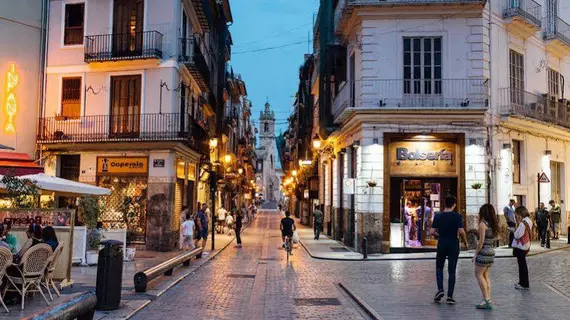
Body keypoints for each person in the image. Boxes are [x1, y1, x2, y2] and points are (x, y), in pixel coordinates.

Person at [430, 195, 468, 304]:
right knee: (452, 270)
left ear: (444, 204)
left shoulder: (438, 215)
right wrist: (465, 242)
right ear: (454, 205)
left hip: (442, 244)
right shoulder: (457, 216)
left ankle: (440, 289)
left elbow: (432, 232)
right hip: (453, 244)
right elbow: (461, 231)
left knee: (439, 268)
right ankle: (450, 296)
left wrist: (439, 236)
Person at [473, 204, 499, 310]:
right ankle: (488, 298)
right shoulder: (492, 224)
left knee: (478, 275)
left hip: (483, 252)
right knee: (486, 276)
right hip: (491, 252)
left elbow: (481, 242)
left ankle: (485, 300)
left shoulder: (483, 224)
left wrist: (475, 254)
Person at [513, 206, 532, 290]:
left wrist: (514, 231)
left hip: (521, 246)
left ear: (520, 213)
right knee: (523, 265)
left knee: (522, 266)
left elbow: (518, 235)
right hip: (526, 244)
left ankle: (524, 284)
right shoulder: (529, 221)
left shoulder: (522, 223)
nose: (516, 216)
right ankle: (523, 282)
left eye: (517, 214)